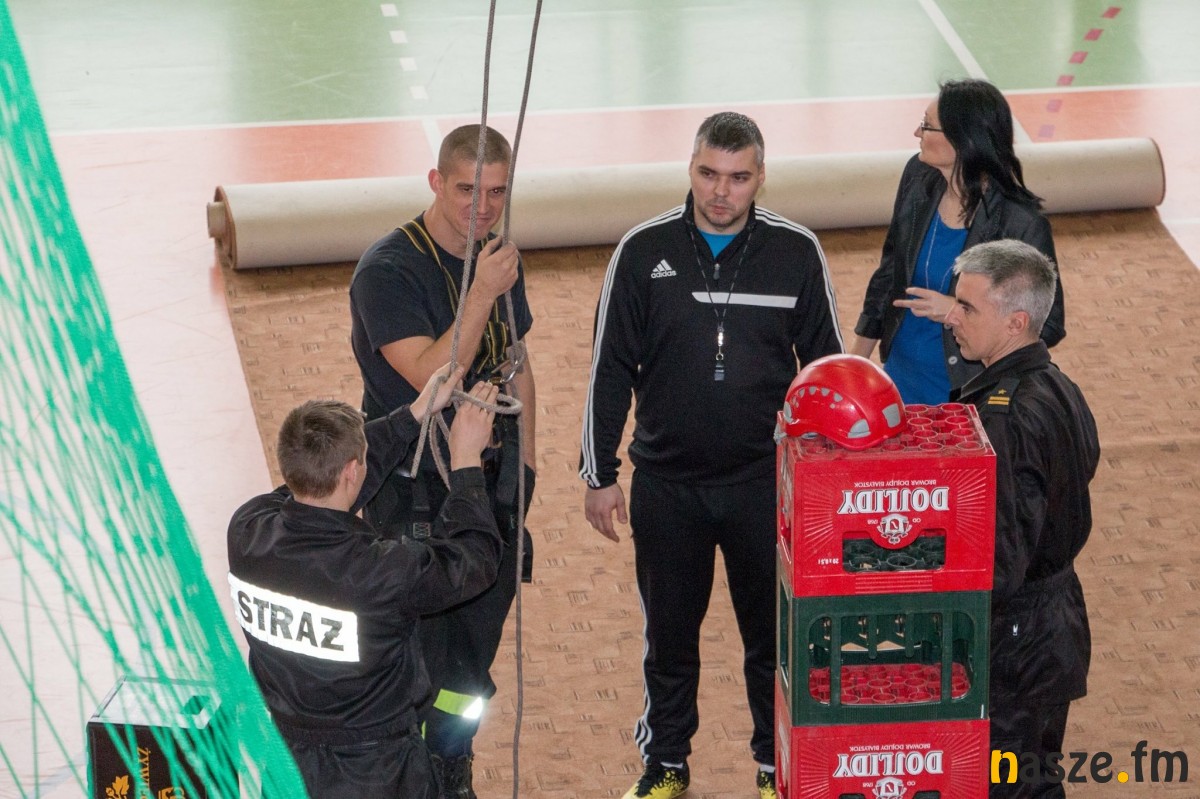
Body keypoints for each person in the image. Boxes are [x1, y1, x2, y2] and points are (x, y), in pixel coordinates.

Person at [579, 111, 844, 799]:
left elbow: (826, 371)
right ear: (690, 169)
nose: (721, 192)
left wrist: (828, 481)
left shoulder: (796, 251)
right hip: (667, 487)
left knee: (773, 639)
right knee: (668, 641)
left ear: (761, 177)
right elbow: (610, 367)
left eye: (738, 177)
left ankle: (774, 766)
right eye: (708, 173)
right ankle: (666, 763)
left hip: (765, 485)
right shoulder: (642, 251)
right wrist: (599, 473)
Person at [349, 124, 536, 798]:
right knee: (419, 656)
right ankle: (412, 776)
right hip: (413, 494)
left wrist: (527, 467)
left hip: (483, 486)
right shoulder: (388, 271)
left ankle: (452, 766)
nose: (482, 208)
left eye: (497, 193)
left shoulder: (497, 258)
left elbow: (516, 361)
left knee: (470, 661)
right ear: (435, 181)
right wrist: (480, 291)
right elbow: (433, 376)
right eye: (467, 190)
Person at [227, 366, 504, 799]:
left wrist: (413, 415)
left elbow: (320, 491)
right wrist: (467, 463)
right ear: (353, 470)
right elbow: (475, 560)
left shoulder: (247, 531)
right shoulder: (382, 572)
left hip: (285, 767)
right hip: (380, 773)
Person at [944, 239, 1099, 797]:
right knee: (1034, 777)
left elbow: (999, 559)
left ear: (1015, 322)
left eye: (966, 307)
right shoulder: (1060, 386)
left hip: (1015, 644)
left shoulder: (1005, 420)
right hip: (1051, 627)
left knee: (1008, 785)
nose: (952, 318)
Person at [850, 78, 1066, 405]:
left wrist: (958, 310)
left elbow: (1047, 325)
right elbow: (889, 274)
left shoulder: (1021, 224)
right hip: (899, 380)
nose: (917, 133)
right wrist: (856, 362)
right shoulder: (917, 177)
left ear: (962, 140)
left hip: (967, 395)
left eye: (927, 126)